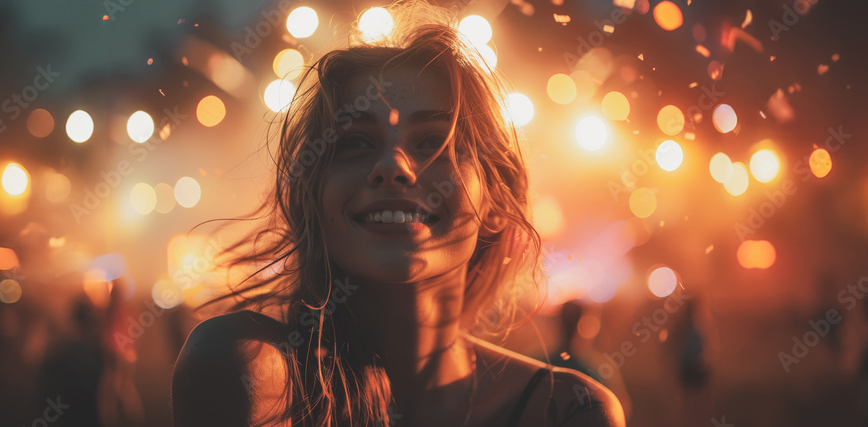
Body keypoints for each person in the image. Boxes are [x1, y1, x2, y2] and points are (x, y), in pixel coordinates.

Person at [171, 1, 625, 426]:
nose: (393, 167)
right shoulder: (250, 372)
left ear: (495, 200)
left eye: (434, 141)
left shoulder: (567, 411)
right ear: (312, 197)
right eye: (355, 143)